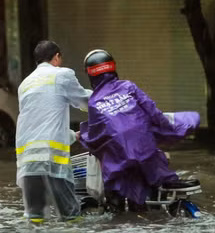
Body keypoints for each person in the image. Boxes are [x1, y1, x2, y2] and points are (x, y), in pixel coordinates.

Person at [78, 49, 199, 213]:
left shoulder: (94, 102)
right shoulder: (128, 86)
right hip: (145, 150)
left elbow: (95, 136)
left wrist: (82, 137)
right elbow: (153, 112)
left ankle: (117, 211)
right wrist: (168, 128)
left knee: (115, 195)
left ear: (91, 75)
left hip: (120, 158)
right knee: (145, 184)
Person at [15, 40, 92, 223]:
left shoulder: (24, 84)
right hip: (52, 158)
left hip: (28, 159)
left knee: (35, 218)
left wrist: (73, 135)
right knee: (71, 216)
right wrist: (107, 96)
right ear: (56, 57)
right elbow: (85, 101)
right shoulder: (62, 75)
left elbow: (38, 122)